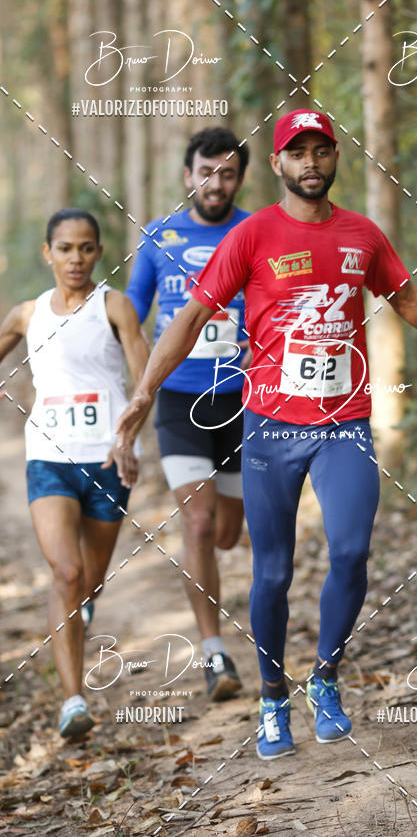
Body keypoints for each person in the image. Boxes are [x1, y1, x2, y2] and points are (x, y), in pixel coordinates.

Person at [116, 109, 417, 760]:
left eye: (322, 151)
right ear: (279, 163)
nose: (311, 163)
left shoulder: (362, 235)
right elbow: (190, 316)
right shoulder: (254, 234)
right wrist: (145, 392)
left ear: (335, 157)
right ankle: (270, 698)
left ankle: (324, 679)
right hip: (267, 427)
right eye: (299, 152)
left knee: (350, 552)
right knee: (275, 572)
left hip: (343, 425)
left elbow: (410, 302)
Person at [0, 208, 149, 738]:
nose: (76, 258)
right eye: (65, 248)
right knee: (65, 573)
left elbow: (143, 380)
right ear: (48, 253)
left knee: (88, 581)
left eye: (86, 248)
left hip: (108, 462)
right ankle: (73, 701)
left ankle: (81, 610)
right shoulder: (26, 314)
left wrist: (129, 435)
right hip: (49, 459)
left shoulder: (116, 308)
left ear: (98, 254)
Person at [125, 128, 251, 701]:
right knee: (197, 524)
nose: (215, 183)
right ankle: (214, 651)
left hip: (244, 399)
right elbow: (131, 310)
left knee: (226, 533)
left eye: (226, 173)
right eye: (205, 171)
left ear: (240, 179)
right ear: (187, 175)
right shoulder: (158, 236)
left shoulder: (255, 232)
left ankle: (216, 627)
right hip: (178, 399)